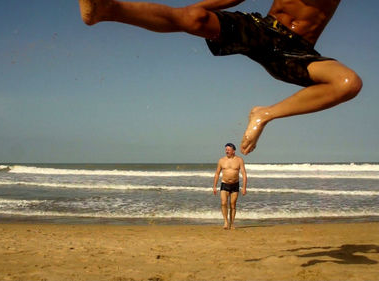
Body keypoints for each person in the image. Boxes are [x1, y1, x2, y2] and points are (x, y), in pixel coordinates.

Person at [78, 0, 363, 155]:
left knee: (348, 83)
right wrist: (196, 12)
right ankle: (107, 9)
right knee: (195, 19)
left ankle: (264, 114)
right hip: (264, 32)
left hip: (297, 54)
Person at [213, 143, 247, 229]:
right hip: (224, 184)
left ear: (233, 151)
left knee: (233, 204)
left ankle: (232, 223)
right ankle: (225, 222)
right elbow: (217, 174)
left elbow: (244, 174)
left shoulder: (239, 160)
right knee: (224, 203)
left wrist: (244, 187)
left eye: (228, 150)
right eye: (226, 149)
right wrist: (214, 186)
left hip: (235, 185)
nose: (226, 151)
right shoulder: (221, 160)